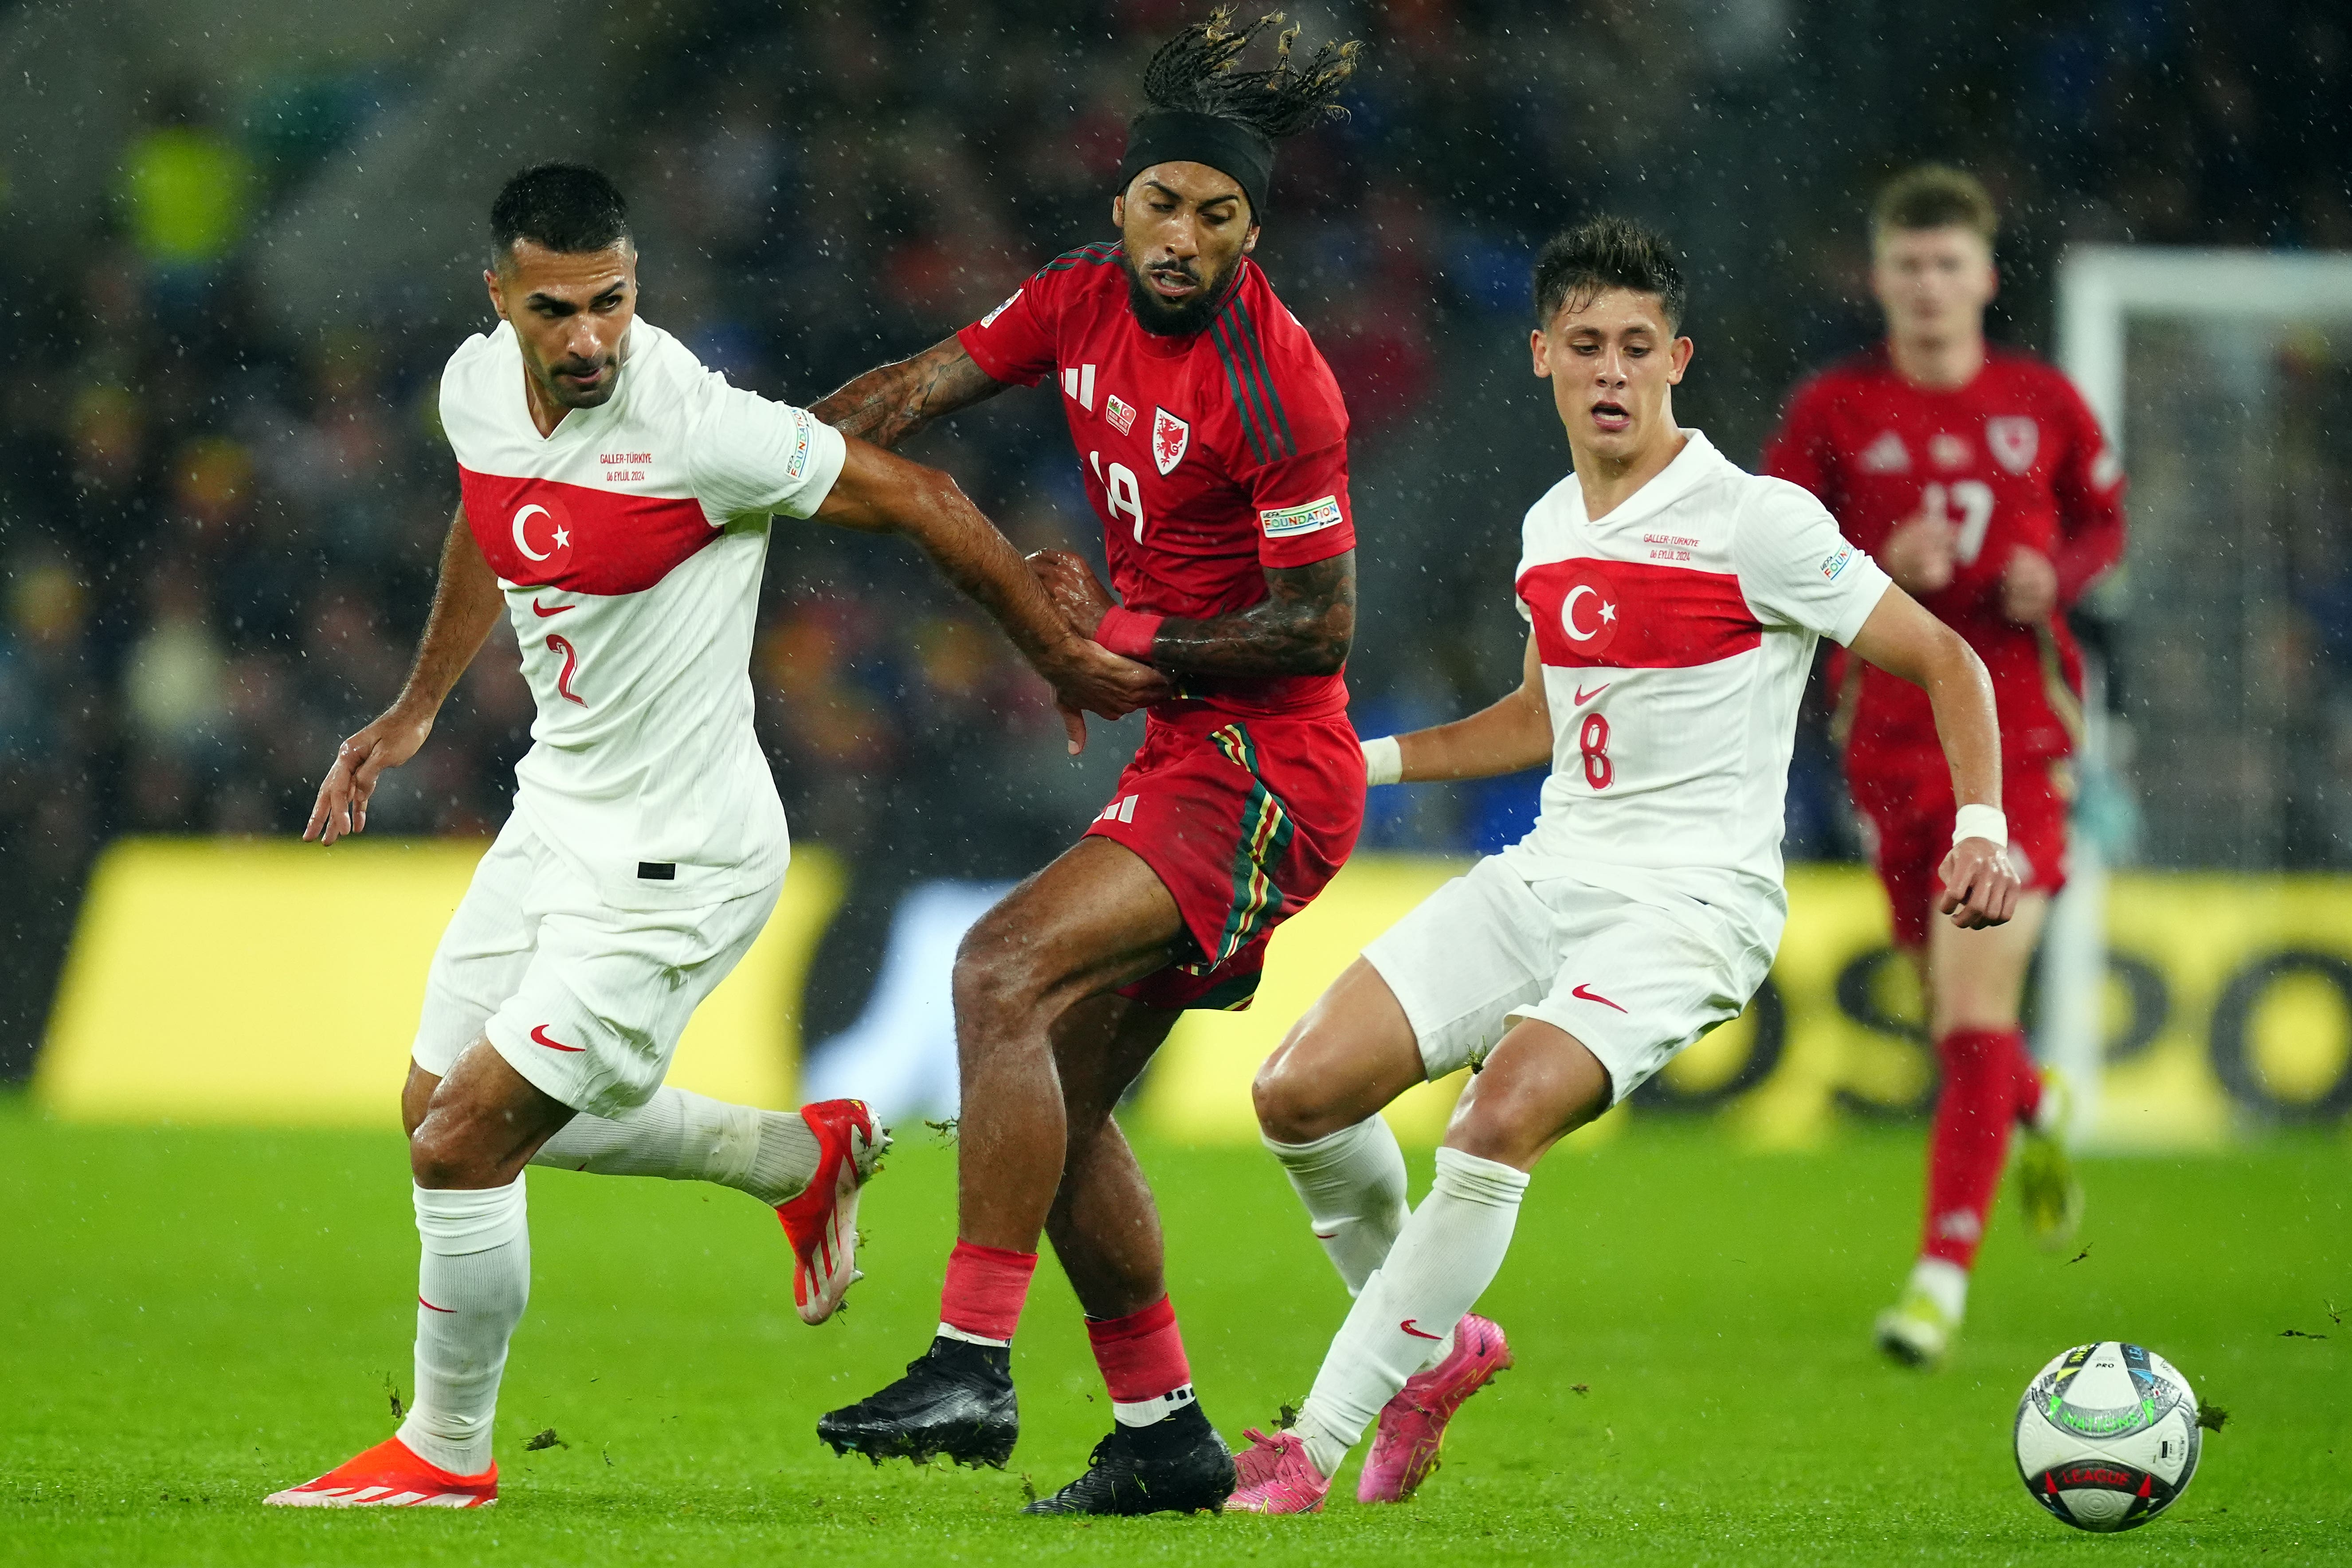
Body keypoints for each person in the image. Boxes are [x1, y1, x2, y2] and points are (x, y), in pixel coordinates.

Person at [264, 163, 1162, 1510]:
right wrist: (415, 707)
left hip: (679, 856)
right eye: (555, 310)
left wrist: (1059, 659)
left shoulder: (695, 424)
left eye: (611, 304)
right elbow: (488, 521)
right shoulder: (471, 391)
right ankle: (794, 1160)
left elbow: (918, 496)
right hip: (556, 810)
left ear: (639, 287)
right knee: (430, 1113)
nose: (588, 340)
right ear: (498, 298)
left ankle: (446, 1455)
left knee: (463, 1146)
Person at [1227, 216, 2022, 1514]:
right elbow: (1536, 721)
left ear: (1678, 361)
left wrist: (1982, 829)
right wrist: (1357, 762)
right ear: (1541, 356)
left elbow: (1949, 658)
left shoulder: (1758, 522)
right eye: (1586, 345)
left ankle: (1308, 1450)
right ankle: (1434, 1347)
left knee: (1496, 1122)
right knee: (1296, 1094)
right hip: (1552, 872)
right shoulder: (1550, 527)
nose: (1611, 371)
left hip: (1693, 907)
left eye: (1637, 349)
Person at [809, 11, 1365, 1516]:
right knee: (1046, 1096)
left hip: (1267, 768)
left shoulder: (1278, 385)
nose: (1184, 238)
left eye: (1219, 214)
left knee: (996, 969)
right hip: (1192, 749)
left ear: (1254, 227)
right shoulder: (1070, 299)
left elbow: (1321, 624)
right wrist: (754, 464)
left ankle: (970, 1368)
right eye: (1163, 204)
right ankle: (1164, 1434)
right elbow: (903, 399)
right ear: (1119, 204)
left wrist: (1128, 636)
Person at [1760, 165, 2125, 1368]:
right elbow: (1766, 555)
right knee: (1951, 1012)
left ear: (1985, 276)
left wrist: (2052, 582)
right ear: (1879, 278)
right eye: (1907, 265)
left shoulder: (2044, 402)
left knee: (1972, 1002)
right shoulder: (1833, 411)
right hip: (1889, 745)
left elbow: (2101, 522)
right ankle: (2033, 1099)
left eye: (1948, 264)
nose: (1928, 285)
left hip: (2020, 740)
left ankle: (1938, 1280)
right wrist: (1870, 561)